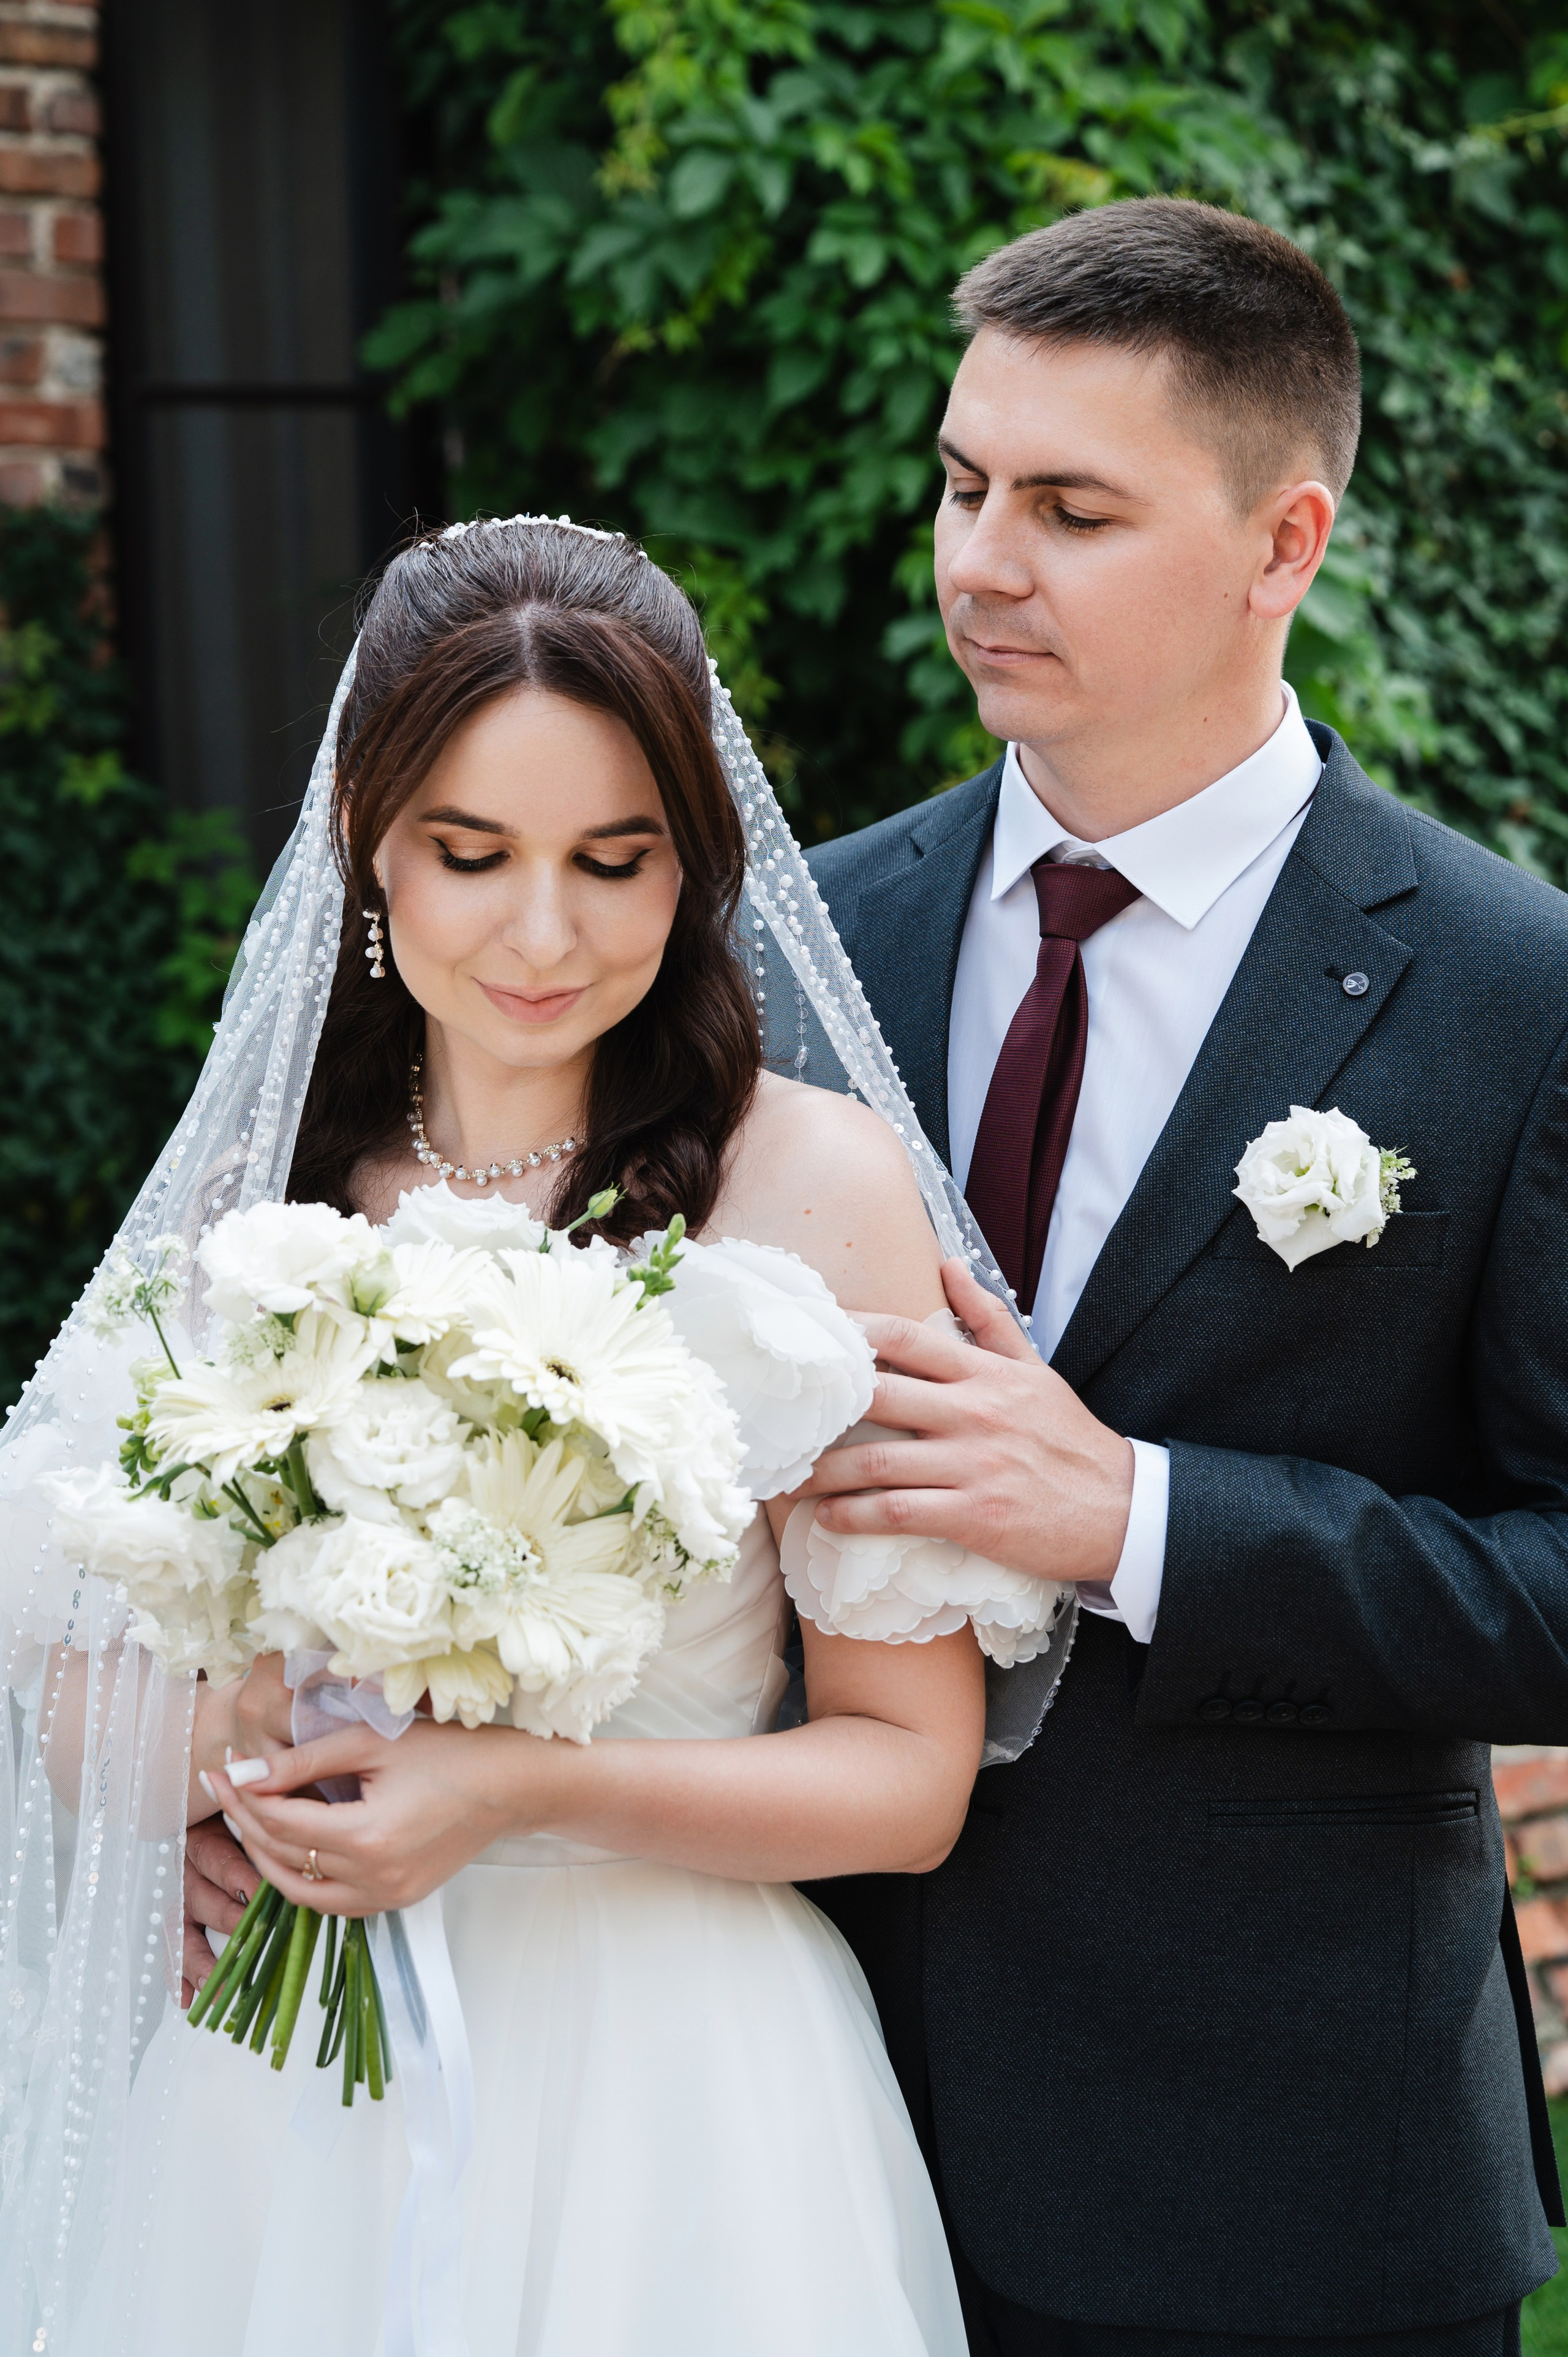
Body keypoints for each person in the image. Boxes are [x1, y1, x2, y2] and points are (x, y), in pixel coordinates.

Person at [9, 517, 1044, 2356]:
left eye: (614, 862)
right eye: (474, 856)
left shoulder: (813, 1194)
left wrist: (521, 1786)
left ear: (694, 868)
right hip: (288, 2080)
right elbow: (69, 1674)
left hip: (685, 2096)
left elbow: (907, 1779)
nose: (545, 934)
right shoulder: (262, 1206)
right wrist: (244, 1748)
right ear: (368, 843)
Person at [799, 196, 1568, 2357]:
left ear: (1281, 541)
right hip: (806, 2113)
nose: (978, 562)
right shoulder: (808, 941)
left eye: (1069, 507)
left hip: (1287, 2174)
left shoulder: (1514, 997)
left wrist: (1133, 1519)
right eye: (963, 484)